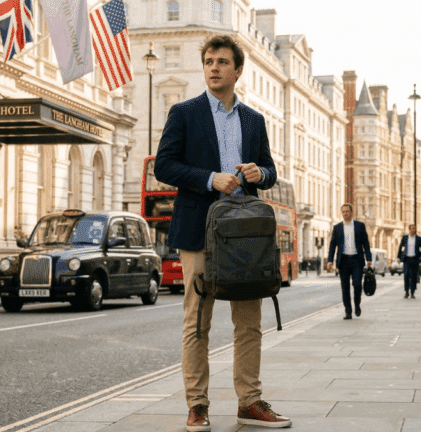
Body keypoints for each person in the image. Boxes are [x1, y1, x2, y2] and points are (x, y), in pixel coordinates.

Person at [153, 34, 290, 431]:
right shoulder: (184, 112)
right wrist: (211, 178)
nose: (213, 67)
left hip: (244, 237)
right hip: (198, 231)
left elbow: (270, 171)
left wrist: (258, 173)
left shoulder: (254, 119)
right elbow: (165, 166)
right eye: (209, 61)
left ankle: (249, 402)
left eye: (222, 61)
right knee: (198, 323)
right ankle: (197, 405)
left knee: (248, 322)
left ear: (237, 70)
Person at [326, 204, 372, 319]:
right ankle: (348, 310)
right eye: (343, 212)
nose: (345, 213)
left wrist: (369, 258)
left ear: (352, 212)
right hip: (343, 260)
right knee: (345, 287)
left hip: (357, 259)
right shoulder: (337, 228)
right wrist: (330, 260)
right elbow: (332, 245)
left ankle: (357, 304)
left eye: (347, 211)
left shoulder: (360, 226)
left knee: (357, 284)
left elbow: (365, 243)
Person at [397, 224, 421, 299]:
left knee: (413, 276)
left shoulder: (419, 238)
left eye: (414, 228)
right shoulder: (405, 238)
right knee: (406, 275)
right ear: (409, 229)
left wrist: (420, 257)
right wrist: (398, 257)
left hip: (415, 259)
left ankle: (412, 292)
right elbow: (400, 248)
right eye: (412, 228)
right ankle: (406, 292)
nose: (413, 230)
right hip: (407, 259)